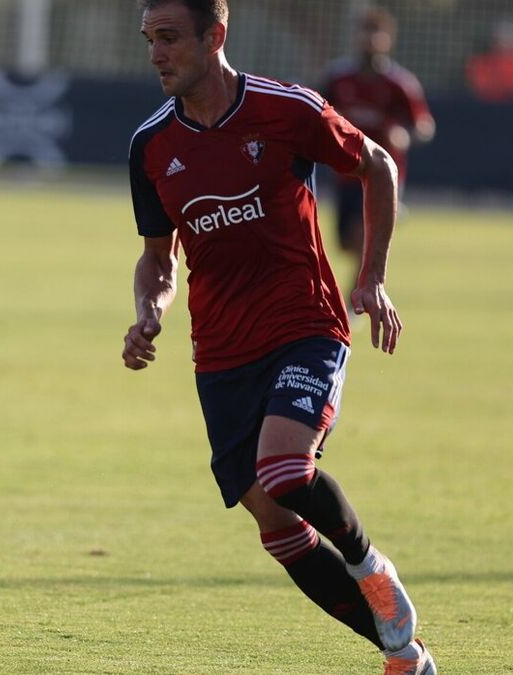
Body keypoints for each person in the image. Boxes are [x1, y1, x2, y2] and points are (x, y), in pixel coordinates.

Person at [123, 1, 434, 673]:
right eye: (150, 39)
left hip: (306, 326)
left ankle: (369, 563)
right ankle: (403, 653)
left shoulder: (286, 109)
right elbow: (157, 256)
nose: (156, 53)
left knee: (286, 470)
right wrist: (150, 308)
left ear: (216, 36)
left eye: (170, 38)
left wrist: (371, 277)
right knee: (275, 523)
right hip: (221, 353)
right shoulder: (150, 146)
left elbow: (377, 164)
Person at [321, 7, 434, 293]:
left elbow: (423, 125)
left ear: (388, 39)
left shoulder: (399, 84)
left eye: (376, 34)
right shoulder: (338, 79)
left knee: (363, 239)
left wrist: (404, 135)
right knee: (346, 242)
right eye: (364, 32)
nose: (369, 40)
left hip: (382, 173)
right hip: (347, 173)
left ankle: (355, 300)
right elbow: (315, 111)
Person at [466, 19, 513, 103]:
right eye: (501, 38)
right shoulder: (483, 60)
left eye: (509, 37)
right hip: (487, 105)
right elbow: (480, 86)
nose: (504, 42)